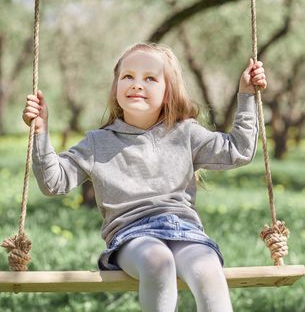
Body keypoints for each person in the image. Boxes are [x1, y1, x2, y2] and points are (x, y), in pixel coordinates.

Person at [23, 42, 267, 312]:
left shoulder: (185, 134)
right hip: (131, 236)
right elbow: (53, 182)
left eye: (150, 78)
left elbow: (239, 150)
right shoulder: (97, 143)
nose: (137, 84)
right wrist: (41, 133)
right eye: (128, 76)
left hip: (185, 231)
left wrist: (246, 96)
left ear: (168, 91)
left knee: (208, 268)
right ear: (116, 86)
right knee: (157, 262)